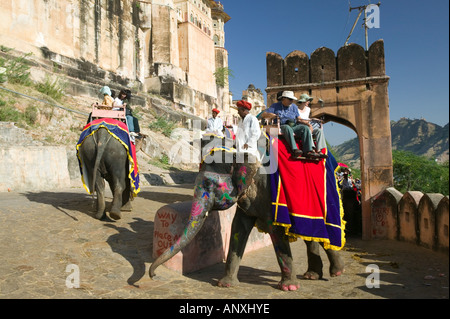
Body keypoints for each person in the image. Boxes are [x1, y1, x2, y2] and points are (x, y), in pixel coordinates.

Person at [260, 91, 320, 159]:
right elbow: (263, 114)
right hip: (281, 126)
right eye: (290, 99)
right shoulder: (275, 106)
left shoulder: (294, 106)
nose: (292, 101)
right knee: (287, 127)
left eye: (292, 99)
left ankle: (308, 151)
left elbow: (299, 119)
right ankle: (295, 149)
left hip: (293, 125)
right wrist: (272, 115)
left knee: (305, 128)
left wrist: (308, 124)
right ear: (283, 99)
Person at [296, 93, 328, 158]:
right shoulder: (296, 109)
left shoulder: (308, 109)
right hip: (301, 126)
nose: (309, 102)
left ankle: (319, 150)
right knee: (308, 130)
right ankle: (311, 148)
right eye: (307, 100)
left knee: (319, 131)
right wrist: (308, 124)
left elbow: (307, 118)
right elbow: (298, 120)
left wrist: (313, 119)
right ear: (303, 101)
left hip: (308, 124)